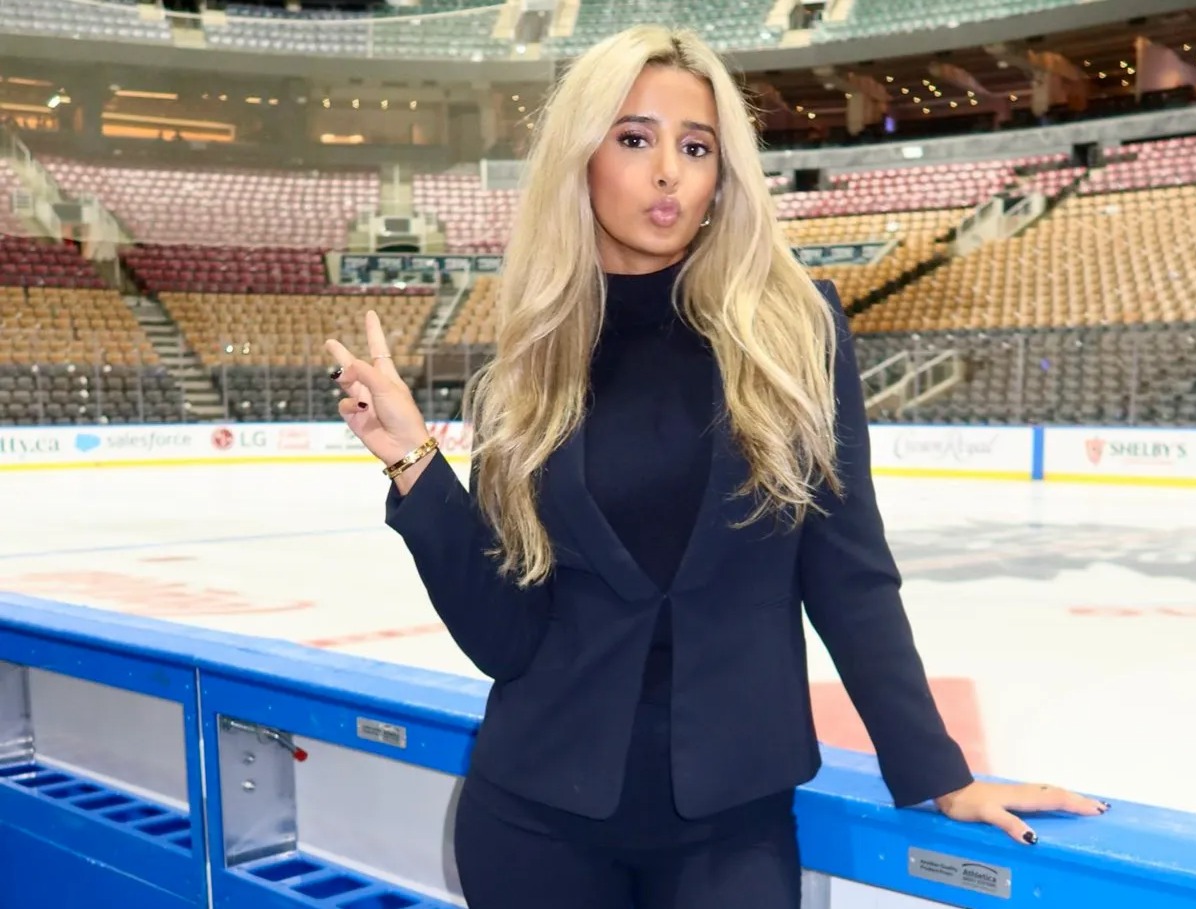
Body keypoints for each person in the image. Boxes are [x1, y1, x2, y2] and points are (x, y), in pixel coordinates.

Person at [325, 24, 1108, 909]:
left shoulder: (795, 329)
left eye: (695, 147)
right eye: (634, 139)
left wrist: (940, 771)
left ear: (722, 174)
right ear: (581, 160)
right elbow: (505, 639)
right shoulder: (529, 362)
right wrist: (414, 465)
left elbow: (848, 571)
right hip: (534, 821)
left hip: (731, 829)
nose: (668, 171)